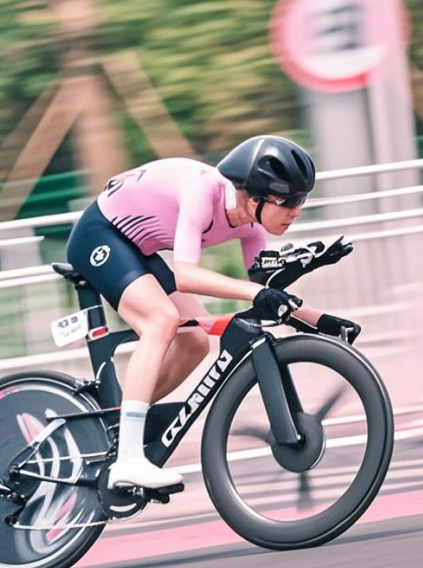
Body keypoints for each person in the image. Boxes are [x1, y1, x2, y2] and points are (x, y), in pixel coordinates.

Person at [65, 136, 359, 490]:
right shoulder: (202, 193)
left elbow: (266, 296)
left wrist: (322, 321)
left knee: (195, 342)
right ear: (254, 198)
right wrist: (258, 291)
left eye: (302, 200)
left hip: (137, 247)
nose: (297, 211)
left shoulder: (252, 227)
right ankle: (128, 460)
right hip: (100, 233)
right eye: (290, 201)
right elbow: (186, 276)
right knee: (161, 321)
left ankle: (115, 425)